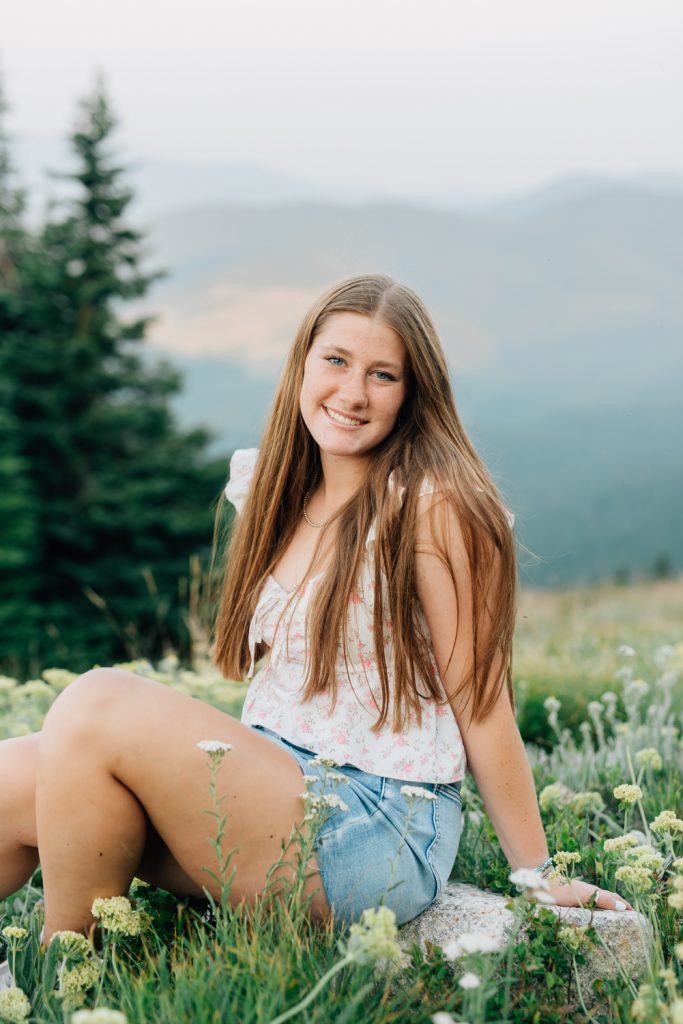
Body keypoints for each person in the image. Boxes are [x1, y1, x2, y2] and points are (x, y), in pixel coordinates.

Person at [0, 274, 631, 977]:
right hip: (272, 781)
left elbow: (482, 704)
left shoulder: (431, 507)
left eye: (382, 374)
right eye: (335, 361)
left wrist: (536, 875)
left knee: (94, 704)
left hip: (375, 825)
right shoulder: (274, 487)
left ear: (412, 392)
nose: (352, 392)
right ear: (302, 363)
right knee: (14, 774)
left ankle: (60, 980)